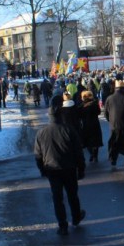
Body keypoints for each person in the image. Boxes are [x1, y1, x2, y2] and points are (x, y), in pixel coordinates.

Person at [34, 97, 87, 236]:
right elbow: (78, 151)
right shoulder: (68, 130)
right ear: (60, 115)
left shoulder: (41, 133)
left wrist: (42, 169)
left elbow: (38, 155)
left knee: (57, 198)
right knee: (72, 195)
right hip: (69, 168)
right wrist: (81, 168)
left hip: (52, 169)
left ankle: (62, 225)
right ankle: (75, 218)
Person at [103, 80, 124, 167]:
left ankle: (113, 160)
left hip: (114, 125)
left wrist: (110, 120)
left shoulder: (109, 98)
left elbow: (106, 113)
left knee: (114, 143)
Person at [79, 90, 103, 163]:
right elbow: (99, 112)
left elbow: (79, 115)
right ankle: (95, 156)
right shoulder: (94, 104)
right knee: (96, 141)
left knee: (87, 141)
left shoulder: (81, 106)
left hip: (86, 125)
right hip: (95, 124)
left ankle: (91, 154)